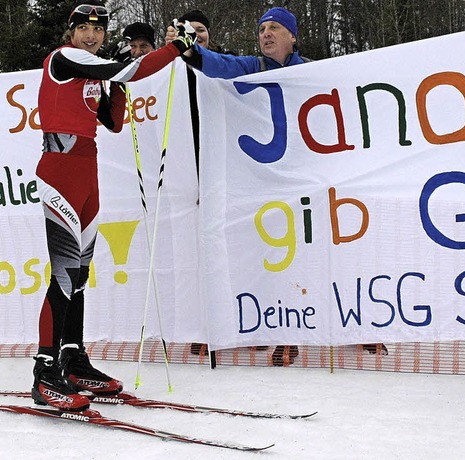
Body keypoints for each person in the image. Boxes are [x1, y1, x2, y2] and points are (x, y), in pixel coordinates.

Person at [169, 6, 386, 365]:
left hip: (310, 180)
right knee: (274, 259)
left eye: (274, 28)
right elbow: (217, 64)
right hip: (264, 184)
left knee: (331, 253)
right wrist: (188, 49)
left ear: (293, 36)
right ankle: (282, 332)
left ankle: (362, 326)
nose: (266, 34)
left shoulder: (313, 71)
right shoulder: (253, 68)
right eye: (261, 29)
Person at [32, 0, 196, 411]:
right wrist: (176, 48)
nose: (91, 36)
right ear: (71, 32)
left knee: (80, 273)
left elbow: (112, 119)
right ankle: (44, 373)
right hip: (60, 169)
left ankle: (73, 359)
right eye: (84, 29)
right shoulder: (65, 57)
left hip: (87, 167)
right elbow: (130, 69)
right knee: (64, 273)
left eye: (99, 31)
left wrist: (119, 84)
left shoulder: (90, 67)